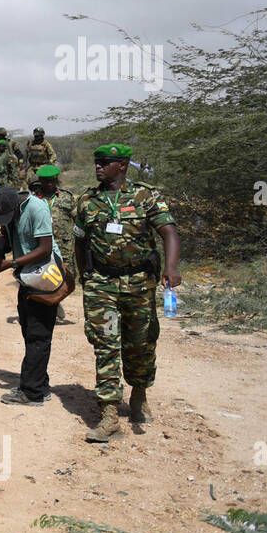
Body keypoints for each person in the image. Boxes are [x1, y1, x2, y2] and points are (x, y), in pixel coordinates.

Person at [73, 144, 181, 442]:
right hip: (101, 285)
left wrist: (170, 268)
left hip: (138, 284)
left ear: (122, 165)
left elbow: (168, 231)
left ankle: (139, 392)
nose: (99, 167)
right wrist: (85, 275)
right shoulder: (87, 200)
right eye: (97, 162)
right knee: (105, 345)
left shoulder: (145, 196)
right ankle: (108, 415)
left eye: (105, 162)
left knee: (140, 343)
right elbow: (80, 241)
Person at [0, 185, 57, 407]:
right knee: (30, 331)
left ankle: (31, 393)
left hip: (44, 277)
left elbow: (45, 248)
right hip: (26, 278)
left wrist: (11, 263)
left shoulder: (38, 209)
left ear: (17, 202)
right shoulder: (13, 211)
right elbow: (10, 242)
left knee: (38, 335)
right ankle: (40, 385)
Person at [32, 164, 75, 270]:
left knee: (67, 278)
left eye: (52, 180)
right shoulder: (34, 199)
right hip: (41, 248)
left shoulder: (66, 197)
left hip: (64, 248)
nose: (50, 183)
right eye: (46, 180)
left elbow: (77, 220)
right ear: (40, 180)